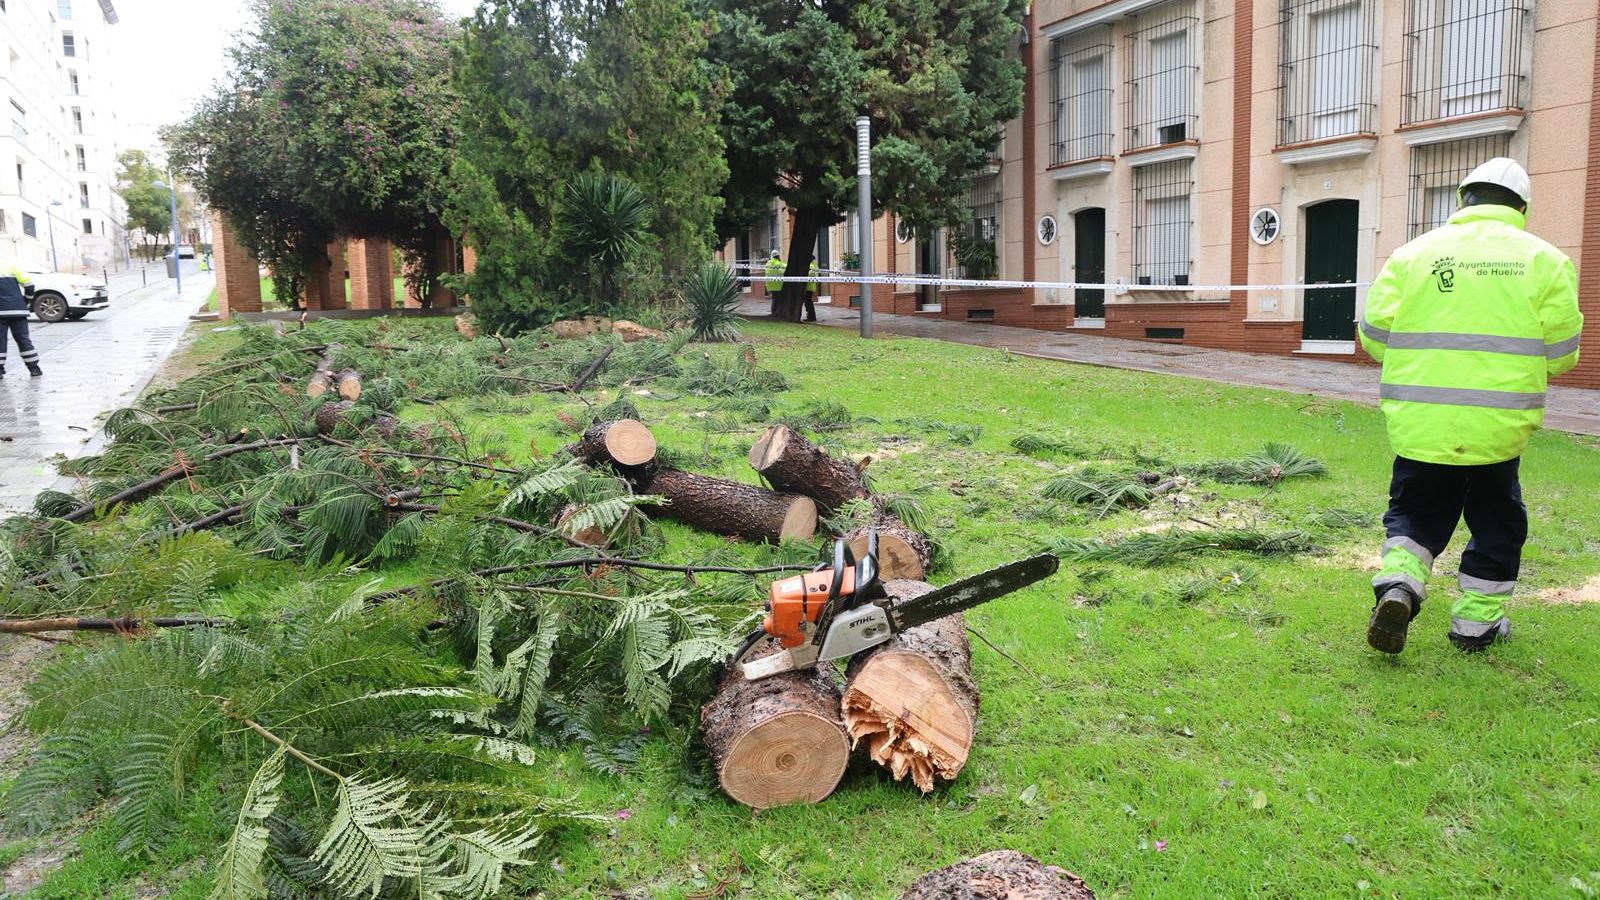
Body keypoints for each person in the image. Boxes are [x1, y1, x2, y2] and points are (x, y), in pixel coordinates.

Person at [1360, 158, 1582, 654]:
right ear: (1521, 207)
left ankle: (1399, 584)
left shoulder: (1413, 255)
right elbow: (1564, 355)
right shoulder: (1546, 261)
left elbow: (1374, 337)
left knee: (1414, 512)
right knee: (1498, 522)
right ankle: (1476, 625)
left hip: (1421, 423)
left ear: (1462, 200)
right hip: (1498, 428)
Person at [0, 259, 42, 378]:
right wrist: (27, 299)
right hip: (18, 309)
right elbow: (29, 285)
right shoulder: (9, 265)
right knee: (23, 338)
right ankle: (34, 368)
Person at [764, 251, 784, 316]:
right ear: (778, 256)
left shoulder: (768, 263)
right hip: (778, 284)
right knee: (778, 299)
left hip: (769, 284)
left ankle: (773, 311)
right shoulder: (779, 263)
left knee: (774, 298)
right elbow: (783, 271)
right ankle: (777, 312)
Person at [804, 258, 820, 322]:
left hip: (809, 287)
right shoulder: (814, 265)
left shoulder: (811, 266)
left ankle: (811, 317)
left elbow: (809, 274)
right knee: (808, 302)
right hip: (810, 286)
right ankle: (811, 316)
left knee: (808, 302)